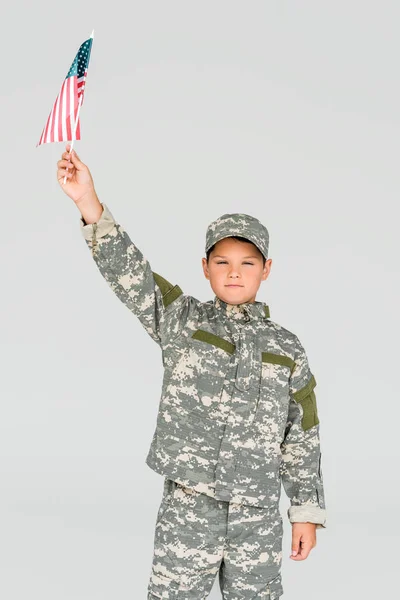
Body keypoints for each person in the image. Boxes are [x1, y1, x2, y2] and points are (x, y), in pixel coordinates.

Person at [57, 143, 327, 599]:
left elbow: (302, 434)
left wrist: (304, 510)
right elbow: (132, 274)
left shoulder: (287, 348)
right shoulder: (182, 320)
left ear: (267, 270)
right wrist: (89, 202)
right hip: (190, 505)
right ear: (205, 268)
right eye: (222, 261)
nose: (234, 273)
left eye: (248, 263)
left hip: (255, 513)